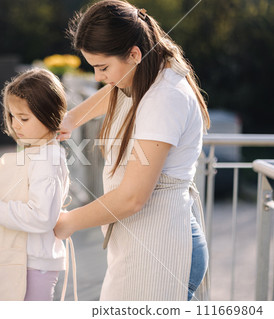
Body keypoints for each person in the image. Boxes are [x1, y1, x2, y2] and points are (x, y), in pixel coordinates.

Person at [54, 0, 209, 301]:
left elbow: (133, 197)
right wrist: (73, 118)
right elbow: (117, 87)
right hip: (149, 241)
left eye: (103, 67)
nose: (99, 76)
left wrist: (68, 222)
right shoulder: (147, 72)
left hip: (166, 248)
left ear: (134, 54)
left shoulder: (165, 98)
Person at [0, 68, 70, 301]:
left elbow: (41, 216)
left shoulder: (46, 159)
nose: (15, 124)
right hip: (25, 262)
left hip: (32, 265)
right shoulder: (37, 151)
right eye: (11, 116)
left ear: (51, 116)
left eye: (24, 118)